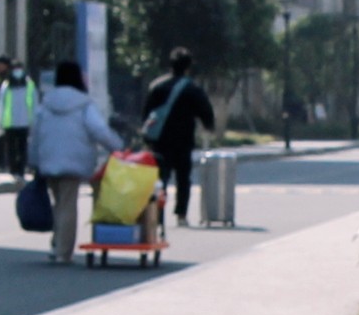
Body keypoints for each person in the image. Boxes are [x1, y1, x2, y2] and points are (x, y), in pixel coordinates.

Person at [22, 58, 119, 266]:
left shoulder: (45, 103)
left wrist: (33, 160)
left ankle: (57, 243)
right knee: (68, 205)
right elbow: (99, 130)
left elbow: (35, 135)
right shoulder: (84, 104)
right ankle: (62, 252)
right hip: (74, 161)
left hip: (48, 160)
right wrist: (119, 148)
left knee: (59, 204)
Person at [136, 45, 218, 218]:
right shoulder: (192, 89)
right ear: (188, 67)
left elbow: (146, 113)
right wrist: (209, 128)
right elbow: (206, 112)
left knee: (160, 178)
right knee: (183, 178)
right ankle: (181, 213)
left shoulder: (157, 86)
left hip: (159, 140)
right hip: (183, 140)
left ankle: (157, 215)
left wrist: (145, 132)